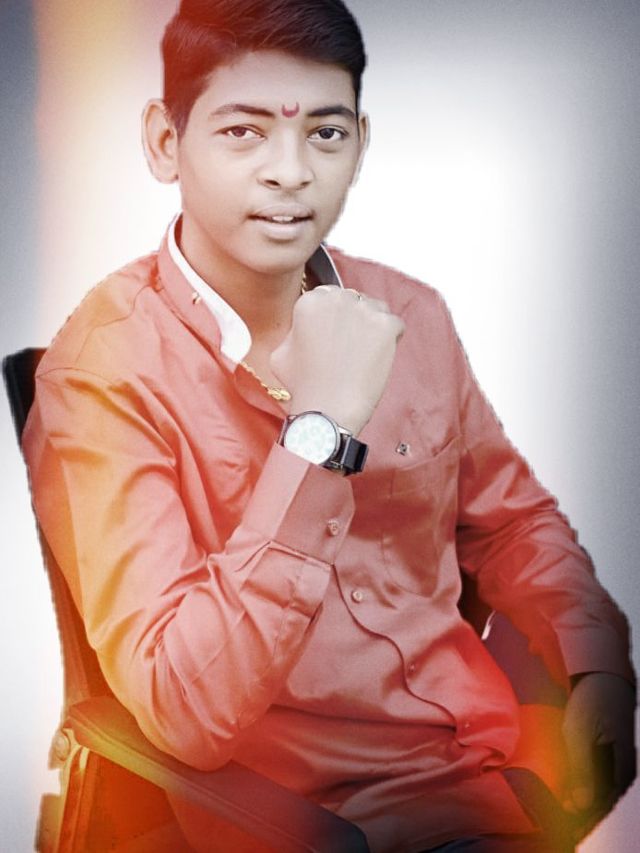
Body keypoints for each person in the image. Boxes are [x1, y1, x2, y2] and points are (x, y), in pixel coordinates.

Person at [22, 1, 635, 850]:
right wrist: (320, 428)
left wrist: (596, 660)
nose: (291, 172)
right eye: (243, 133)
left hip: (498, 776)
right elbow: (181, 706)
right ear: (166, 142)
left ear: (360, 144)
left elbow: (514, 521)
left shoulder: (409, 310)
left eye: (325, 133)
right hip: (316, 821)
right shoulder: (103, 373)